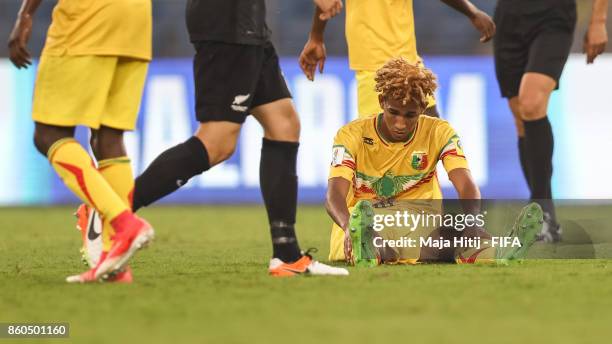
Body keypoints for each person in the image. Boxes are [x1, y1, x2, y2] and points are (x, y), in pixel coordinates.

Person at [77, 0, 349, 277]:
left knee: (284, 123)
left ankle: (287, 255)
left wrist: (316, 34)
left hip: (248, 23)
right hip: (227, 22)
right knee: (216, 143)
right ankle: (109, 212)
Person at [324, 57, 542, 264]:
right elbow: (334, 194)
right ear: (381, 102)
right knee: (376, 237)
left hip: (421, 221)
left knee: (460, 234)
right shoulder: (351, 135)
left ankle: (503, 249)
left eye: (410, 115)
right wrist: (345, 226)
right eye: (393, 112)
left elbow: (465, 183)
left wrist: (472, 221)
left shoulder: (439, 132)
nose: (400, 123)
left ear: (422, 107)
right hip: (366, 218)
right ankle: (366, 247)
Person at [8, 0, 155, 283]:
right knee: (108, 138)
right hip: (136, 20)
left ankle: (124, 223)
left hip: (88, 18)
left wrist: (25, 14)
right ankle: (114, 261)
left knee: (49, 135)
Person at [493, 0, 608, 242]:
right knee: (521, 118)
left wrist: (598, 21)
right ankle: (546, 216)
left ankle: (540, 213)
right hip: (508, 17)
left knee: (531, 103)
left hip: (553, 15)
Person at [299, 0, 496, 118]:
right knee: (386, 165)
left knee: (430, 146)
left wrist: (316, 36)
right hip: (377, 69)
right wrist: (316, 36)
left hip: (404, 63)